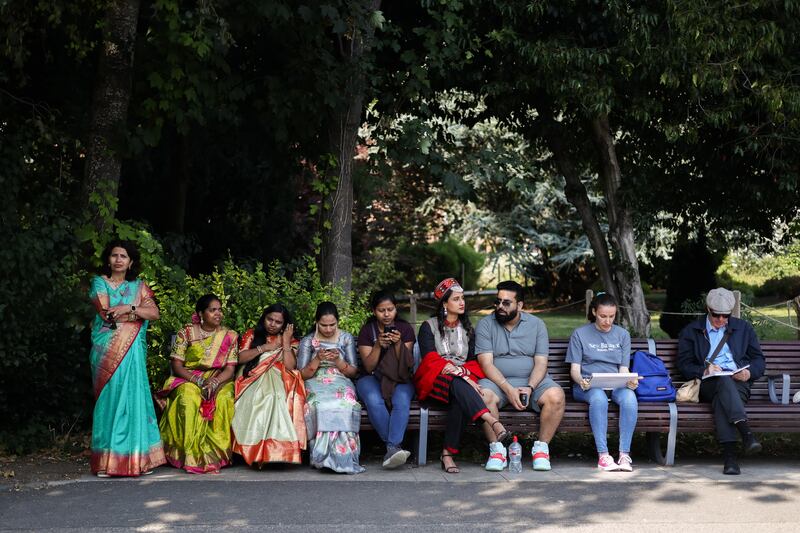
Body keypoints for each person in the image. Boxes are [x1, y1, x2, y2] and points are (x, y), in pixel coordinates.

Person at [414, 278, 511, 474]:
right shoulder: (428, 326)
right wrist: (457, 372)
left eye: (462, 298)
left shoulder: (467, 329)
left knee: (459, 397)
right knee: (458, 384)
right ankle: (492, 421)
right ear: (444, 303)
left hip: (462, 382)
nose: (462, 303)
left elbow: (475, 362)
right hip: (436, 378)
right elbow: (429, 359)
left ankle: (447, 454)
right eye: (456, 299)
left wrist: (463, 373)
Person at [88, 240, 166, 477]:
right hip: (107, 351)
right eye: (114, 255)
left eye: (123, 256)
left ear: (131, 262)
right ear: (108, 259)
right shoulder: (99, 283)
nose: (118, 259)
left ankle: (137, 459)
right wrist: (134, 309)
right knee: (109, 402)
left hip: (132, 352)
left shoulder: (139, 286)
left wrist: (129, 309)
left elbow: (154, 313)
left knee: (134, 398)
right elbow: (107, 313)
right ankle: (106, 461)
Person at [476, 280, 565, 472]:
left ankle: (541, 449)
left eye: (506, 303)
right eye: (497, 301)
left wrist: (530, 387)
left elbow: (541, 363)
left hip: (532, 383)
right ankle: (497, 450)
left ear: (520, 305)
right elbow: (486, 363)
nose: (500, 306)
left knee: (556, 396)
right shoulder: (485, 324)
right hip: (497, 383)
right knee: (483, 396)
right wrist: (508, 389)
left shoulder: (537, 325)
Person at [678, 287, 765, 475]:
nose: (721, 320)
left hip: (738, 383)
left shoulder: (743, 328)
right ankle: (746, 434)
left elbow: (758, 360)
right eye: (717, 315)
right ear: (708, 310)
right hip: (707, 383)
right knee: (722, 383)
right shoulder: (692, 331)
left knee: (723, 395)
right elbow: (684, 365)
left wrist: (748, 374)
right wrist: (704, 369)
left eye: (726, 316)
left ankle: (730, 459)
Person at [158, 294, 238, 473]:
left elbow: (230, 369)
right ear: (201, 313)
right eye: (212, 310)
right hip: (187, 377)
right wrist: (198, 380)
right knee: (189, 398)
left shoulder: (230, 336)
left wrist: (215, 382)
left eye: (219, 310)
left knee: (224, 399)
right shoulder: (186, 332)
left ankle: (216, 453)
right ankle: (190, 454)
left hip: (220, 378)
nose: (218, 314)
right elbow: (177, 365)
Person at [565, 292, 638, 472]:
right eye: (603, 316)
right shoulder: (580, 334)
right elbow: (574, 370)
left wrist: (629, 381)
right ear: (594, 312)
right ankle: (603, 455)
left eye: (611, 316)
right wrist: (581, 381)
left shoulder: (622, 335)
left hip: (614, 384)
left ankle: (624, 455)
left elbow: (623, 369)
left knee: (629, 398)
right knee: (597, 397)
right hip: (587, 385)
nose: (607, 321)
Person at [231, 304, 307, 466]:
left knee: (276, 397)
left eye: (278, 322)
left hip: (279, 376)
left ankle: (273, 451)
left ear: (285, 325)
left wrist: (285, 342)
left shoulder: (290, 340)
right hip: (251, 375)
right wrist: (265, 347)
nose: (272, 324)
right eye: (269, 319)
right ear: (263, 318)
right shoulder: (252, 334)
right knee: (259, 397)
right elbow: (239, 358)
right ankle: (255, 452)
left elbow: (290, 366)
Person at [296, 302, 364, 474]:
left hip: (340, 378)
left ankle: (344, 456)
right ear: (316, 322)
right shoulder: (308, 341)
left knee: (345, 402)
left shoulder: (345, 338)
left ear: (338, 322)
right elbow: (302, 375)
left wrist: (338, 361)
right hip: (315, 380)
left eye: (332, 325)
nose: (328, 329)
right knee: (319, 403)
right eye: (324, 325)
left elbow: (353, 372)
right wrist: (317, 359)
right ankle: (322, 457)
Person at [356, 291, 416, 469]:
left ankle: (391, 447)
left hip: (400, 378)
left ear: (396, 309)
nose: (387, 314)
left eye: (390, 309)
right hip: (372, 377)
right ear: (374, 311)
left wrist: (398, 344)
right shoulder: (368, 331)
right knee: (374, 400)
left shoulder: (405, 329)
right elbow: (368, 367)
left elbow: (405, 366)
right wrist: (377, 346)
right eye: (382, 310)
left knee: (401, 400)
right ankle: (394, 447)